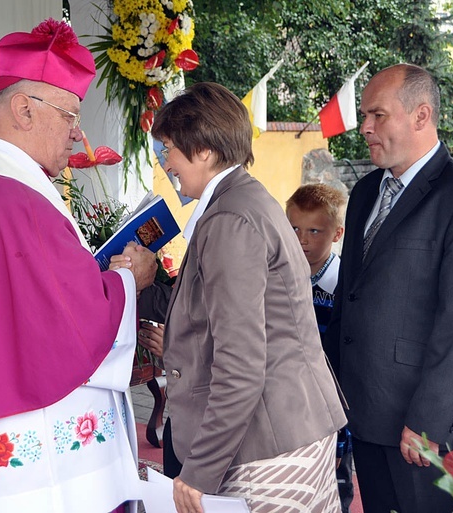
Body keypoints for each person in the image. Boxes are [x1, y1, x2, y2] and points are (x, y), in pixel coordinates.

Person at [0, 19, 157, 513]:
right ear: (23, 110)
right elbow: (71, 315)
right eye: (70, 115)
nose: (79, 135)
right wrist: (129, 278)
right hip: (23, 434)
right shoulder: (15, 197)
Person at [117, 82, 347, 513]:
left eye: (169, 149)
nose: (165, 163)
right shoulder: (242, 199)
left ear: (204, 150)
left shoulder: (229, 218)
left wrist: (198, 471)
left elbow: (241, 364)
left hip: (269, 444)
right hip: (287, 428)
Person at [326, 63, 453, 513]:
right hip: (364, 414)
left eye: (377, 115)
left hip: (427, 428)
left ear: (421, 116)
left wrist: (425, 421)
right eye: (364, 116)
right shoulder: (368, 190)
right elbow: (351, 298)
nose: (365, 127)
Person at [286, 183, 353, 513]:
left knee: (333, 489)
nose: (302, 239)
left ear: (337, 233)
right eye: (294, 228)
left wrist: (342, 436)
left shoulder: (347, 290)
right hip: (288, 409)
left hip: (332, 411)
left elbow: (344, 371)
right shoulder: (278, 279)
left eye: (314, 230)